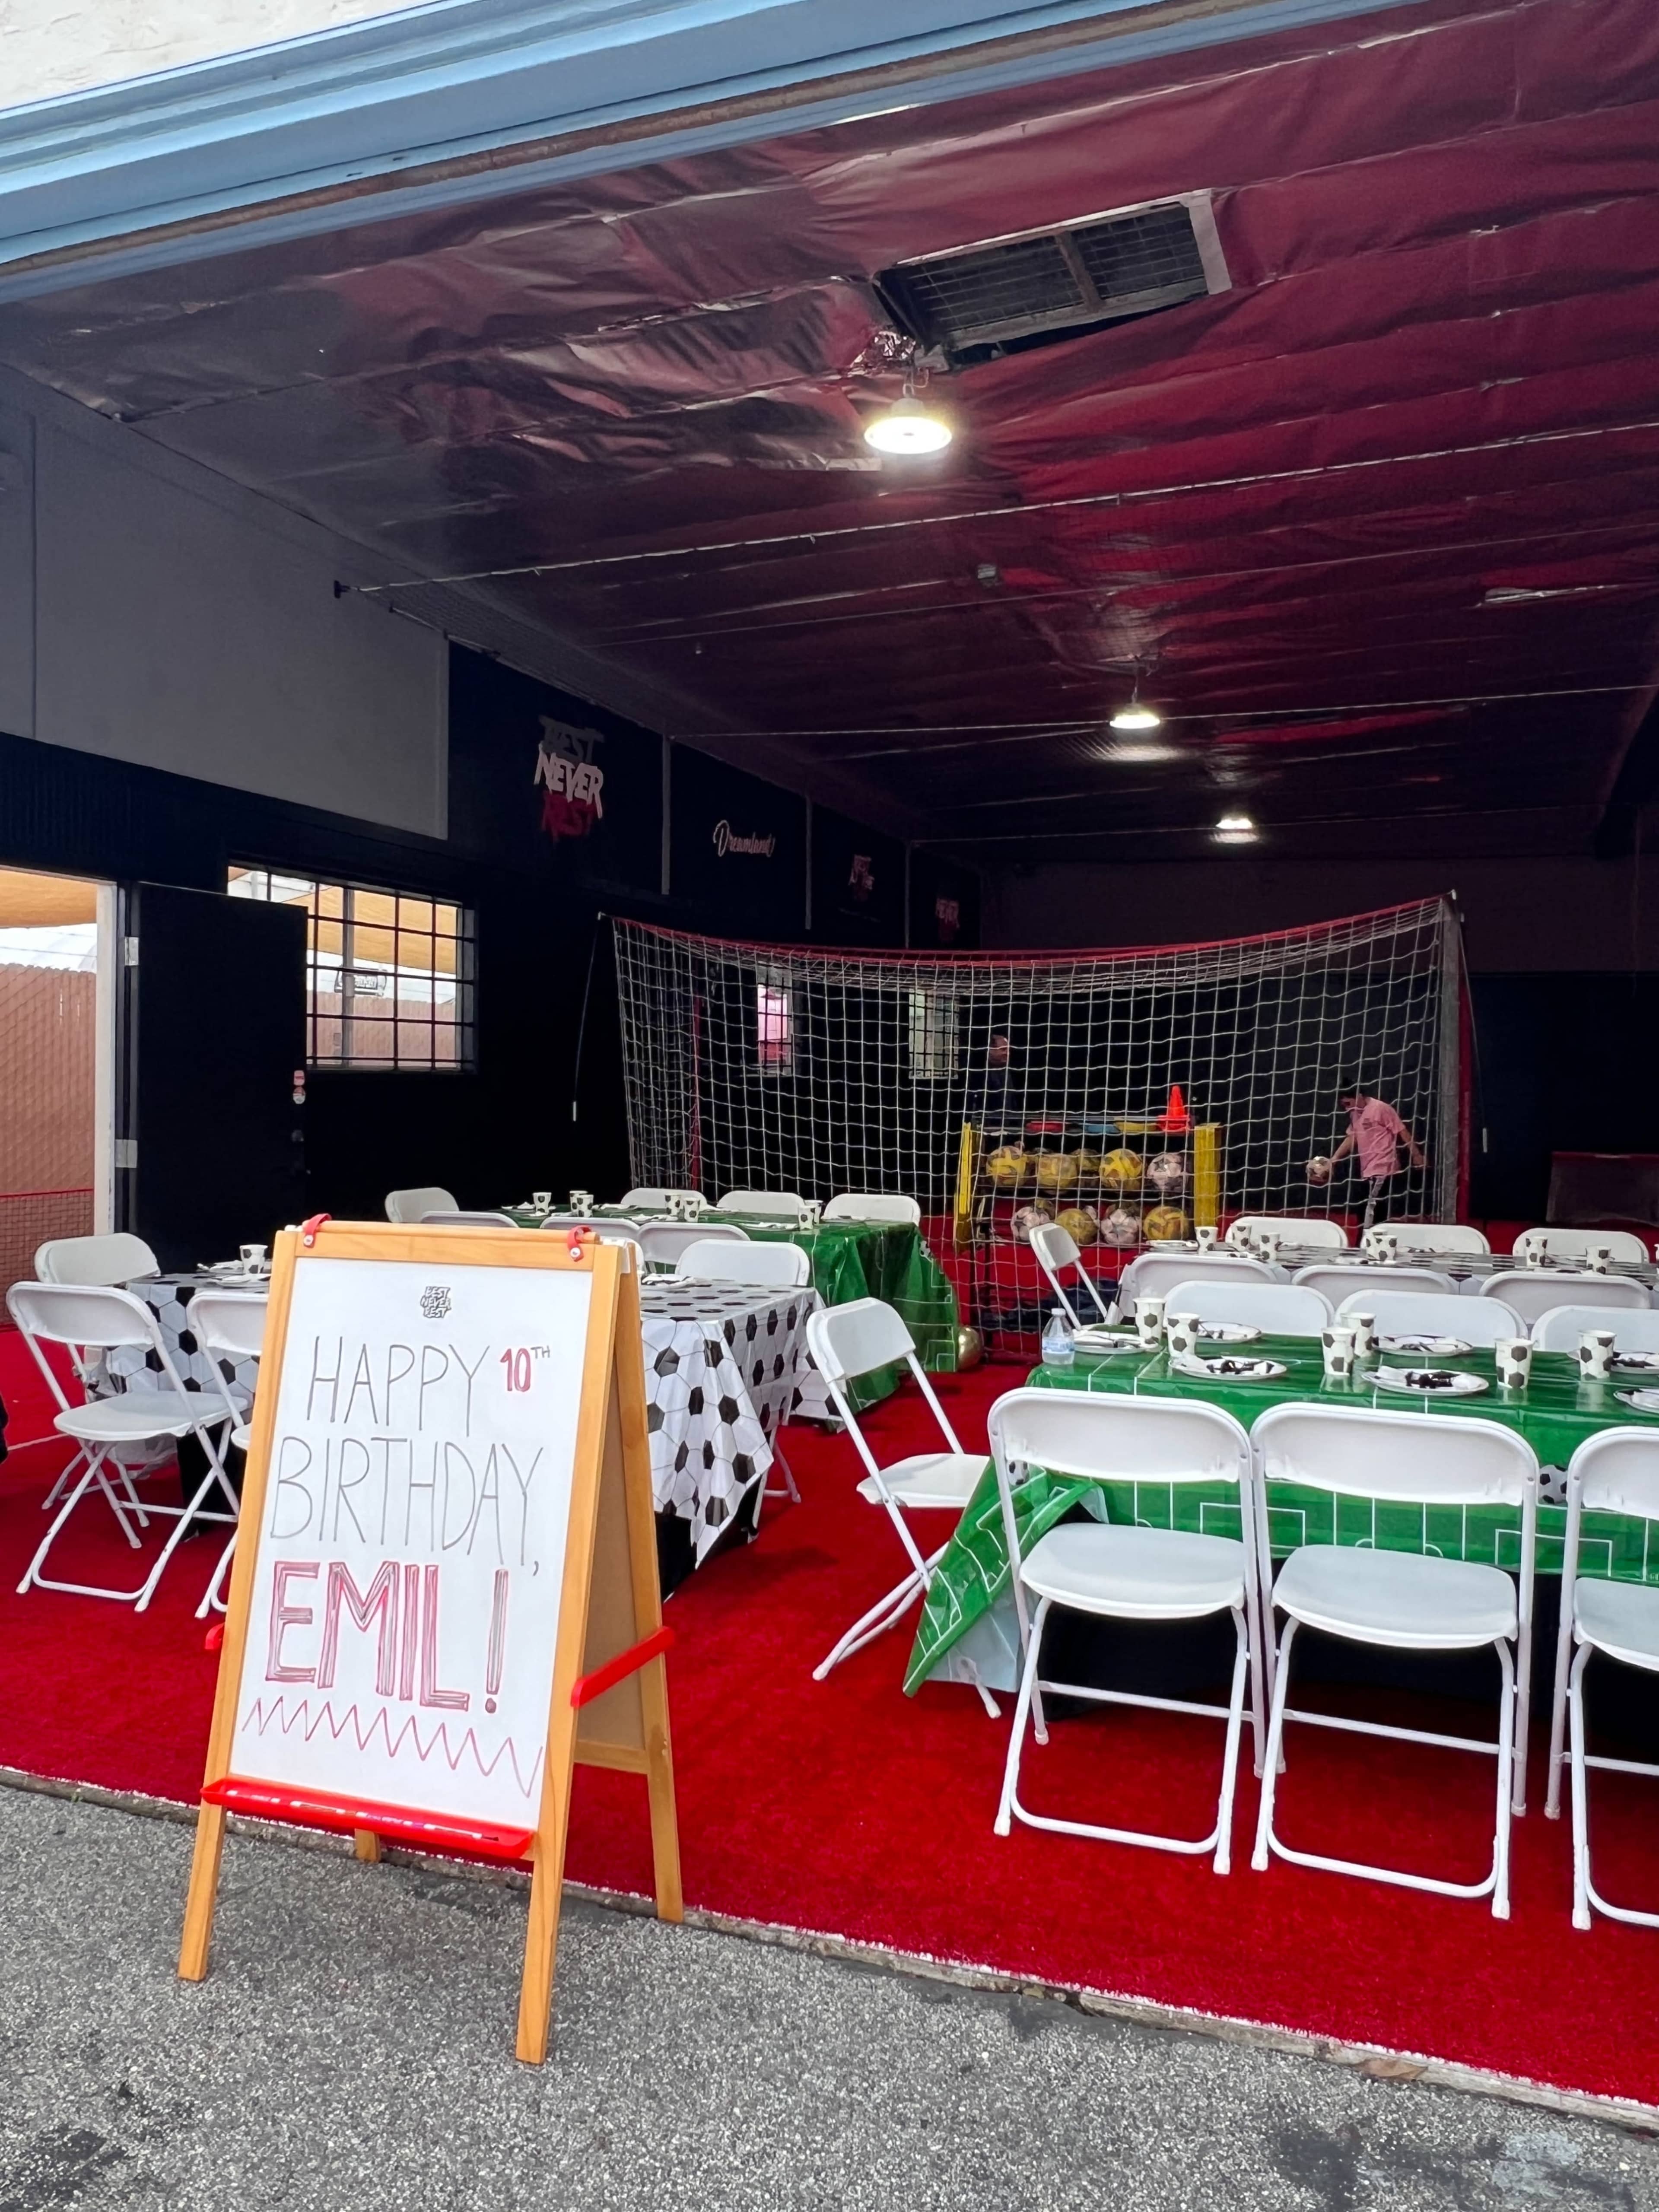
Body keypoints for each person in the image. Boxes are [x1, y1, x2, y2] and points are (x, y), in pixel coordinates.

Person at [1330, 1078, 1427, 1234]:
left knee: (1370, 1212)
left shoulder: (1381, 1108)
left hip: (1383, 1168)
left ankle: (1365, 1246)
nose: (1347, 1108)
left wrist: (1417, 1155)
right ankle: (1371, 1247)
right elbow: (1352, 1137)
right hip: (1368, 1171)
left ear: (1359, 1096)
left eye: (1349, 1103)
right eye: (1345, 1105)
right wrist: (1334, 1159)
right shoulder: (1355, 1114)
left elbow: (1402, 1131)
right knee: (1368, 1212)